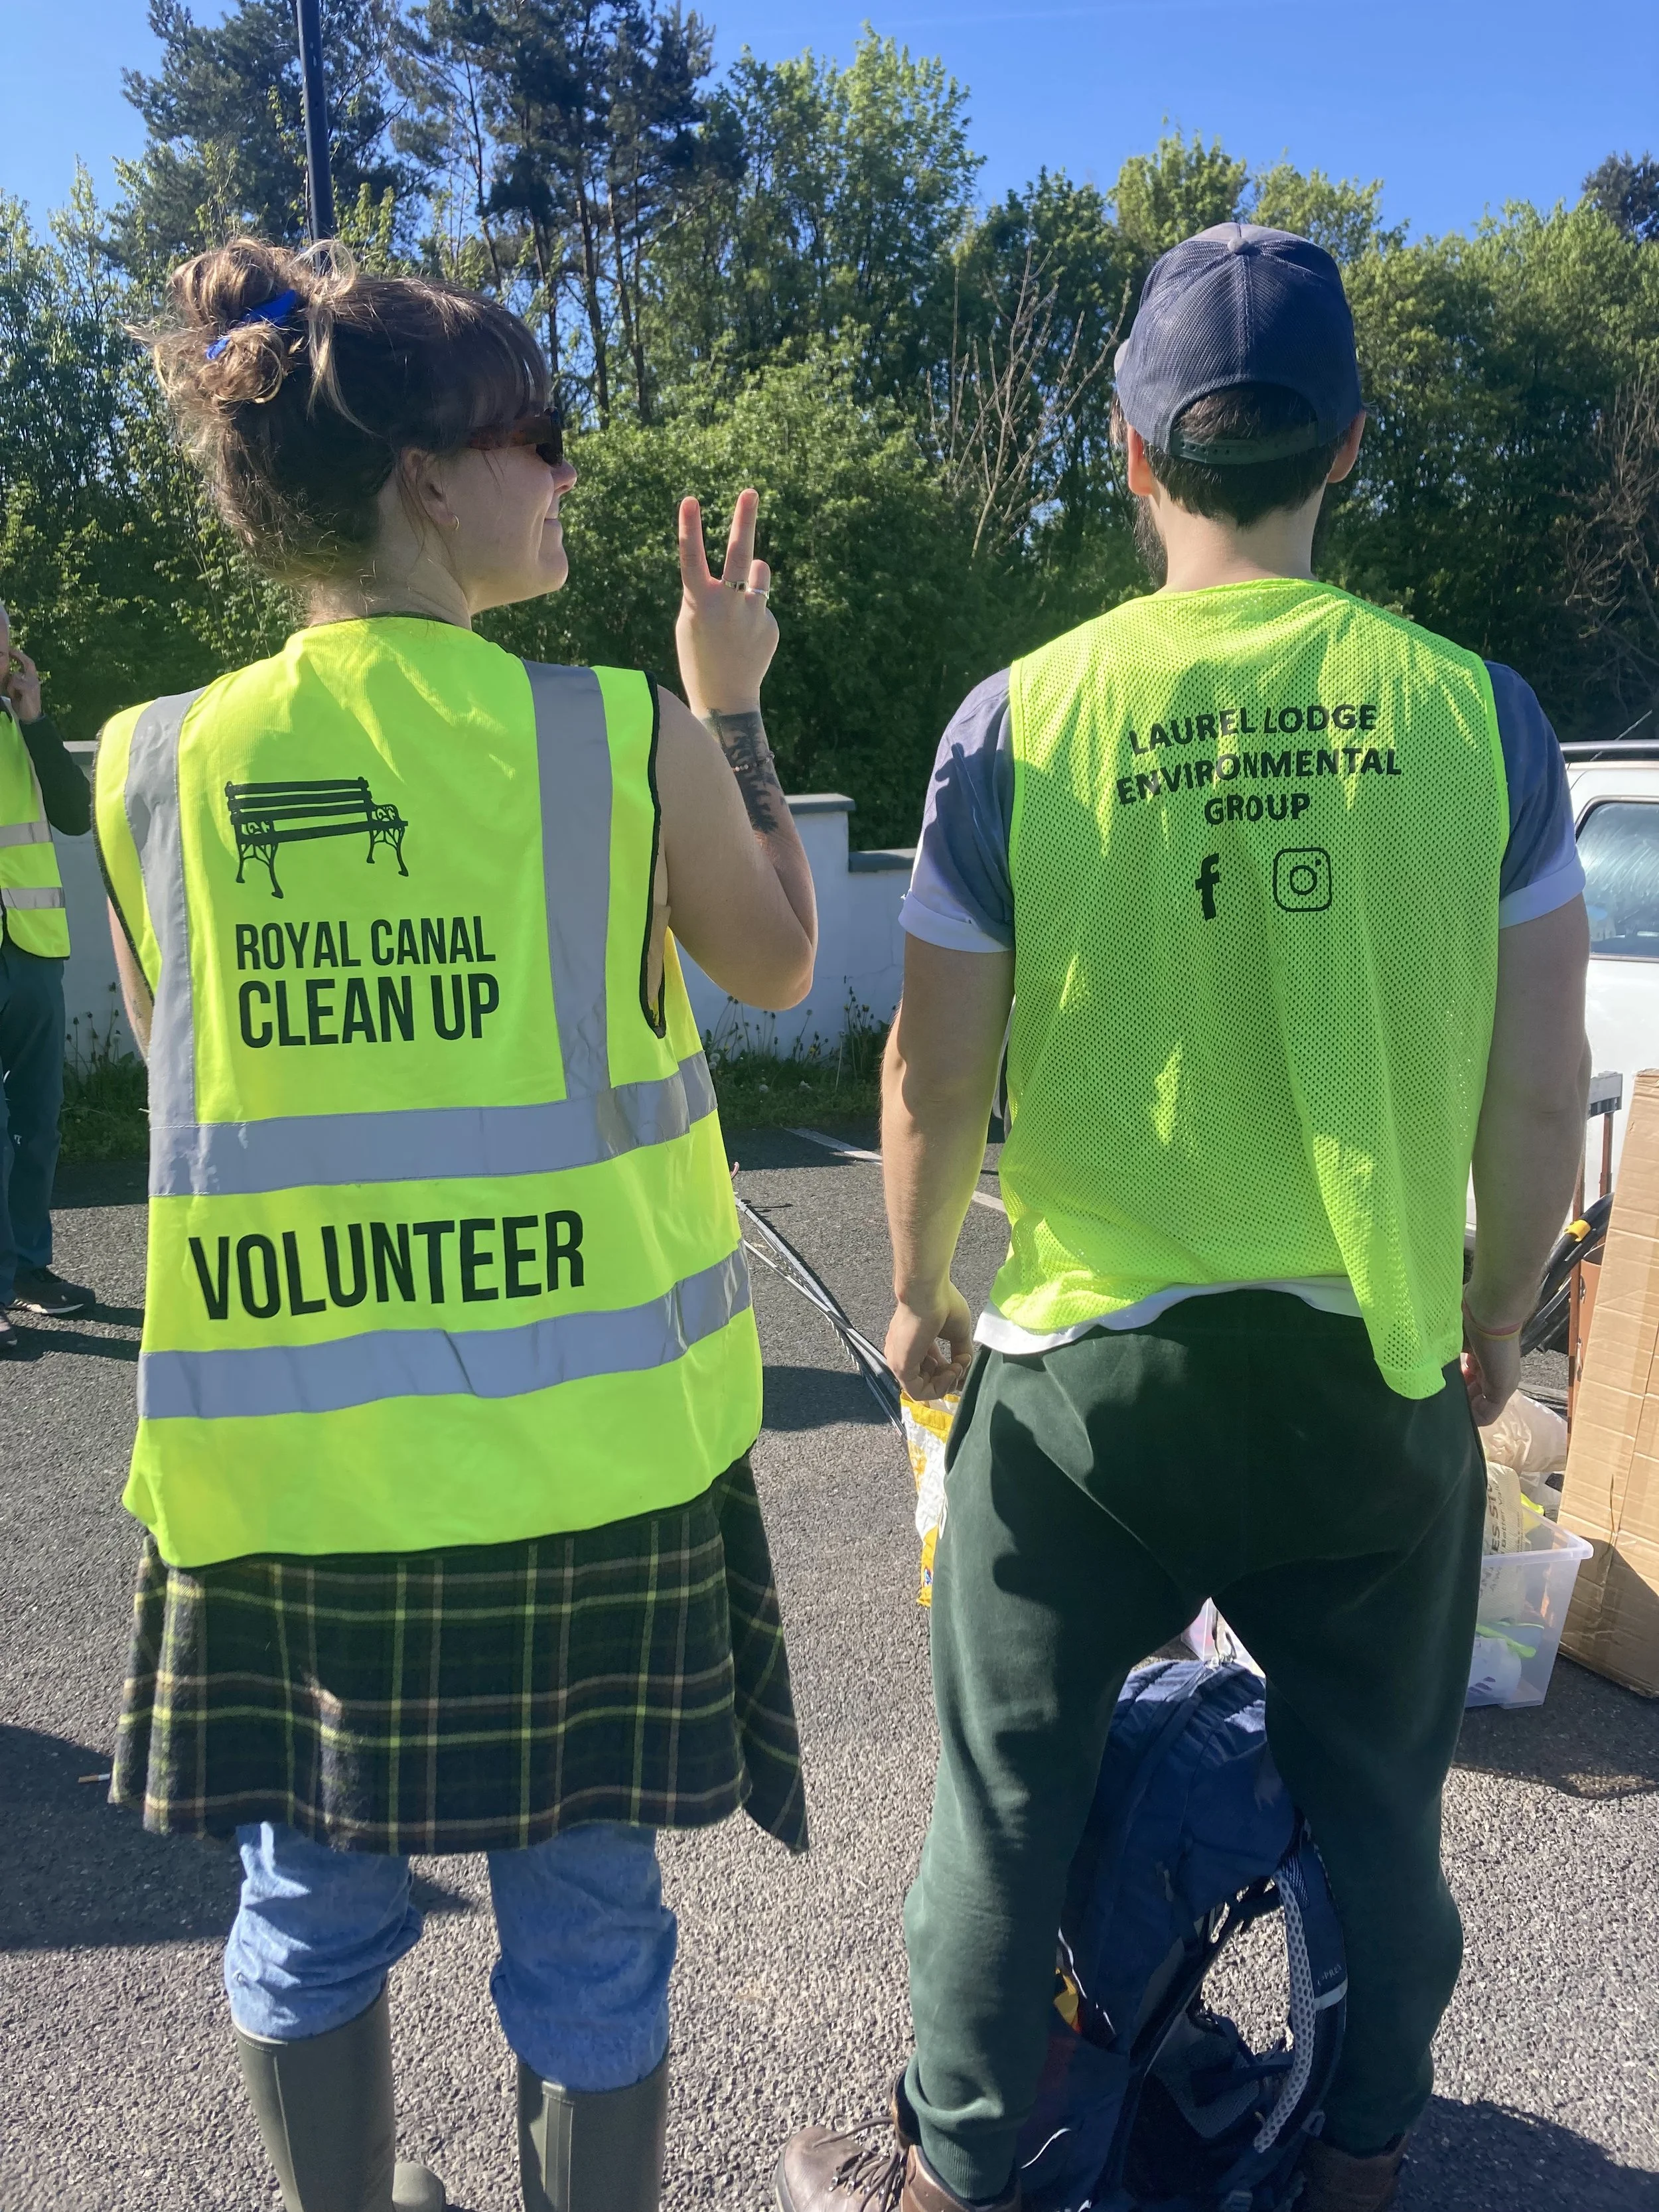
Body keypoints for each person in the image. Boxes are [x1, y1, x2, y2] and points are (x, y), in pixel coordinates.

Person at [777, 226, 1591, 2212]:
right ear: (1349, 447)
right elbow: (1523, 1087)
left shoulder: (1014, 719)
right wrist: (1489, 1314)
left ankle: (956, 2173)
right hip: (1362, 1378)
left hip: (1081, 1391)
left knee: (995, 1809)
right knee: (1379, 1807)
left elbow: (928, 1080)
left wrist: (912, 1295)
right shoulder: (1477, 721)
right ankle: (1364, 2151)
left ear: (1128, 454)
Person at [96, 236, 816, 2212]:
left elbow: (200, 1083)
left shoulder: (150, 768)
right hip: (578, 1477)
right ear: (427, 474)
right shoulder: (611, 733)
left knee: (305, 1924)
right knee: (588, 1944)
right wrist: (725, 702)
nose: (563, 475)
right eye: (539, 436)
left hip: (295, 1478)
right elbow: (773, 959)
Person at [0, 598, 97, 1355]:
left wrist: (35, 719)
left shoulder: (19, 726)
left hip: (33, 948)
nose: (6, 652)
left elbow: (74, 816)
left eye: (7, 639)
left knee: (38, 1126)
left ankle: (30, 1272)